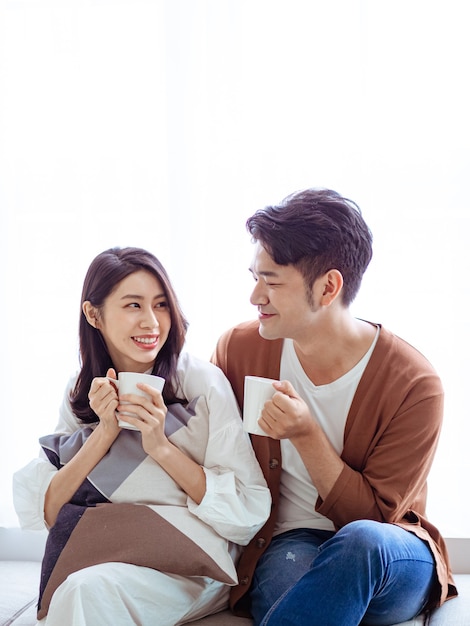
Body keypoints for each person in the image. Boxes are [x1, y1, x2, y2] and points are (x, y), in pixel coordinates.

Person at [212, 188, 456, 626]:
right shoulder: (239, 350)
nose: (254, 296)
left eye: (270, 280)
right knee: (298, 585)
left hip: (391, 553)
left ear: (328, 287)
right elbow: (205, 441)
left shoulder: (414, 385)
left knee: (361, 543)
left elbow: (375, 518)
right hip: (292, 545)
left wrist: (306, 435)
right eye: (254, 276)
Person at [13, 246, 271, 626]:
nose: (152, 322)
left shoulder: (200, 383)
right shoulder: (81, 390)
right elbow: (47, 512)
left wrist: (160, 446)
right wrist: (103, 434)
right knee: (83, 588)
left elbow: (247, 511)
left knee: (87, 592)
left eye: (161, 304)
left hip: (188, 565)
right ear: (93, 315)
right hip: (104, 554)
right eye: (133, 305)